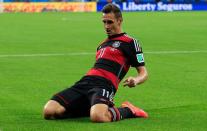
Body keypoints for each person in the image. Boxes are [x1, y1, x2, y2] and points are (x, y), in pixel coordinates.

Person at [43, 3, 148, 122]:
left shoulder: (130, 42)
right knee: (49, 111)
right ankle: (95, 106)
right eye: (104, 22)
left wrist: (136, 80)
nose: (106, 26)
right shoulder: (101, 45)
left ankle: (129, 110)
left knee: (98, 117)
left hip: (105, 84)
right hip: (85, 82)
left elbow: (143, 73)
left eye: (110, 22)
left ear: (119, 21)